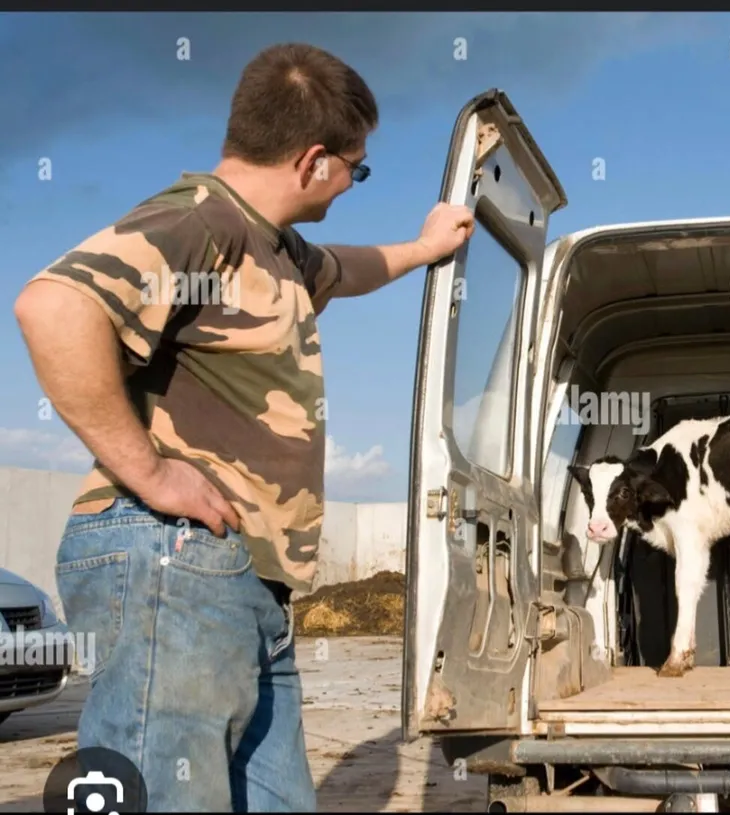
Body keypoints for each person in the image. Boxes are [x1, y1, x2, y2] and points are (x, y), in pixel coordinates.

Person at [13, 42, 474, 812]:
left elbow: (347, 268)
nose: (351, 185)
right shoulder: (201, 222)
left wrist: (425, 248)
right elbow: (53, 307)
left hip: (245, 579)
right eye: (356, 170)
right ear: (314, 160)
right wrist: (152, 472)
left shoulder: (276, 250)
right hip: (171, 560)